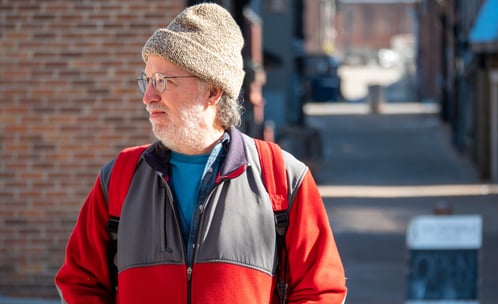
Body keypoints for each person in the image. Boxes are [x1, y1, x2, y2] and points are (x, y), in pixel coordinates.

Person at [55, 3, 347, 303]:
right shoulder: (118, 178)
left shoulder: (283, 177)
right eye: (146, 80)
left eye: (162, 81)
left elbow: (321, 290)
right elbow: (80, 282)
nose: (148, 96)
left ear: (212, 91)